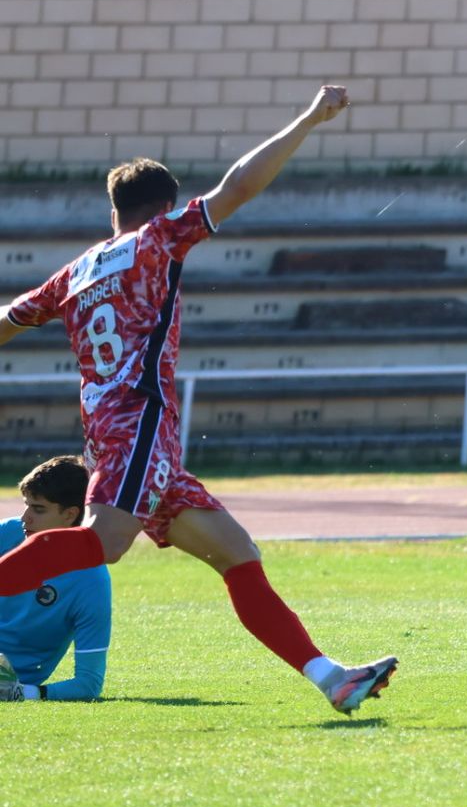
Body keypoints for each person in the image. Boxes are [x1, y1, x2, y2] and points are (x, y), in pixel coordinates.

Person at [0, 86, 396, 715]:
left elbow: (7, 322)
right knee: (102, 544)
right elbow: (237, 188)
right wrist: (309, 118)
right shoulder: (156, 240)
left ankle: (331, 678)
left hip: (117, 431)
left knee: (239, 556)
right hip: (140, 423)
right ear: (162, 206)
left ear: (112, 211)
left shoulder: (74, 272)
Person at [0, 456, 112, 702]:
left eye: (38, 509)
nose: (25, 518)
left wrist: (22, 693)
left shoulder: (92, 583)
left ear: (70, 514)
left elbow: (89, 683)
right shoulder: (9, 533)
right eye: (26, 505)